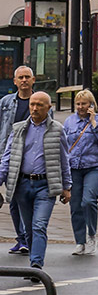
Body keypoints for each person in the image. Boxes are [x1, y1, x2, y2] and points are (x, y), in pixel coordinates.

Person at [0, 92, 72, 268]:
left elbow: (64, 159)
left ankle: (36, 264)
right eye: (32, 104)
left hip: (45, 186)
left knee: (39, 225)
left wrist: (67, 186)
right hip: (22, 185)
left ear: (48, 108)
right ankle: (34, 258)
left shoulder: (57, 129)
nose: (34, 108)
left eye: (39, 105)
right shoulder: (18, 129)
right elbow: (7, 158)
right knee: (30, 228)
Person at [62, 89, 98, 256]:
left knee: (88, 201)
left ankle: (91, 234)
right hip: (74, 167)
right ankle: (79, 241)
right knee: (75, 205)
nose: (81, 107)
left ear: (92, 105)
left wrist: (93, 123)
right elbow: (63, 144)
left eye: (84, 104)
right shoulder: (69, 122)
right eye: (78, 104)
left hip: (94, 166)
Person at [0, 65, 37, 255]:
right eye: (20, 77)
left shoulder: (40, 101)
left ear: (33, 80)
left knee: (28, 200)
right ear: (15, 81)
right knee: (13, 200)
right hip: (11, 157)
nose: (24, 80)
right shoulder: (6, 102)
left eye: (27, 77)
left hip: (32, 158)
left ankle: (30, 237)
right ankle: (21, 238)